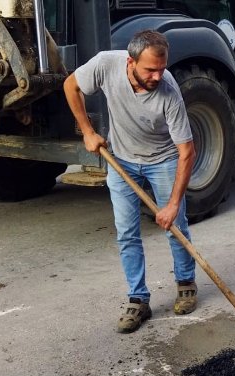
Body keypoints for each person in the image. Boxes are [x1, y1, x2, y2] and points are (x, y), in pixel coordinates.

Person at [63, 30, 198, 333]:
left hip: (162, 159)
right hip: (121, 159)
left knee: (177, 226)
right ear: (131, 61)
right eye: (150, 69)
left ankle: (186, 283)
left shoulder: (169, 92)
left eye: (162, 68)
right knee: (126, 233)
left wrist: (173, 204)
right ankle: (138, 299)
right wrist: (87, 131)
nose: (157, 75)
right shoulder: (105, 65)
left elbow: (186, 151)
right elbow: (71, 86)